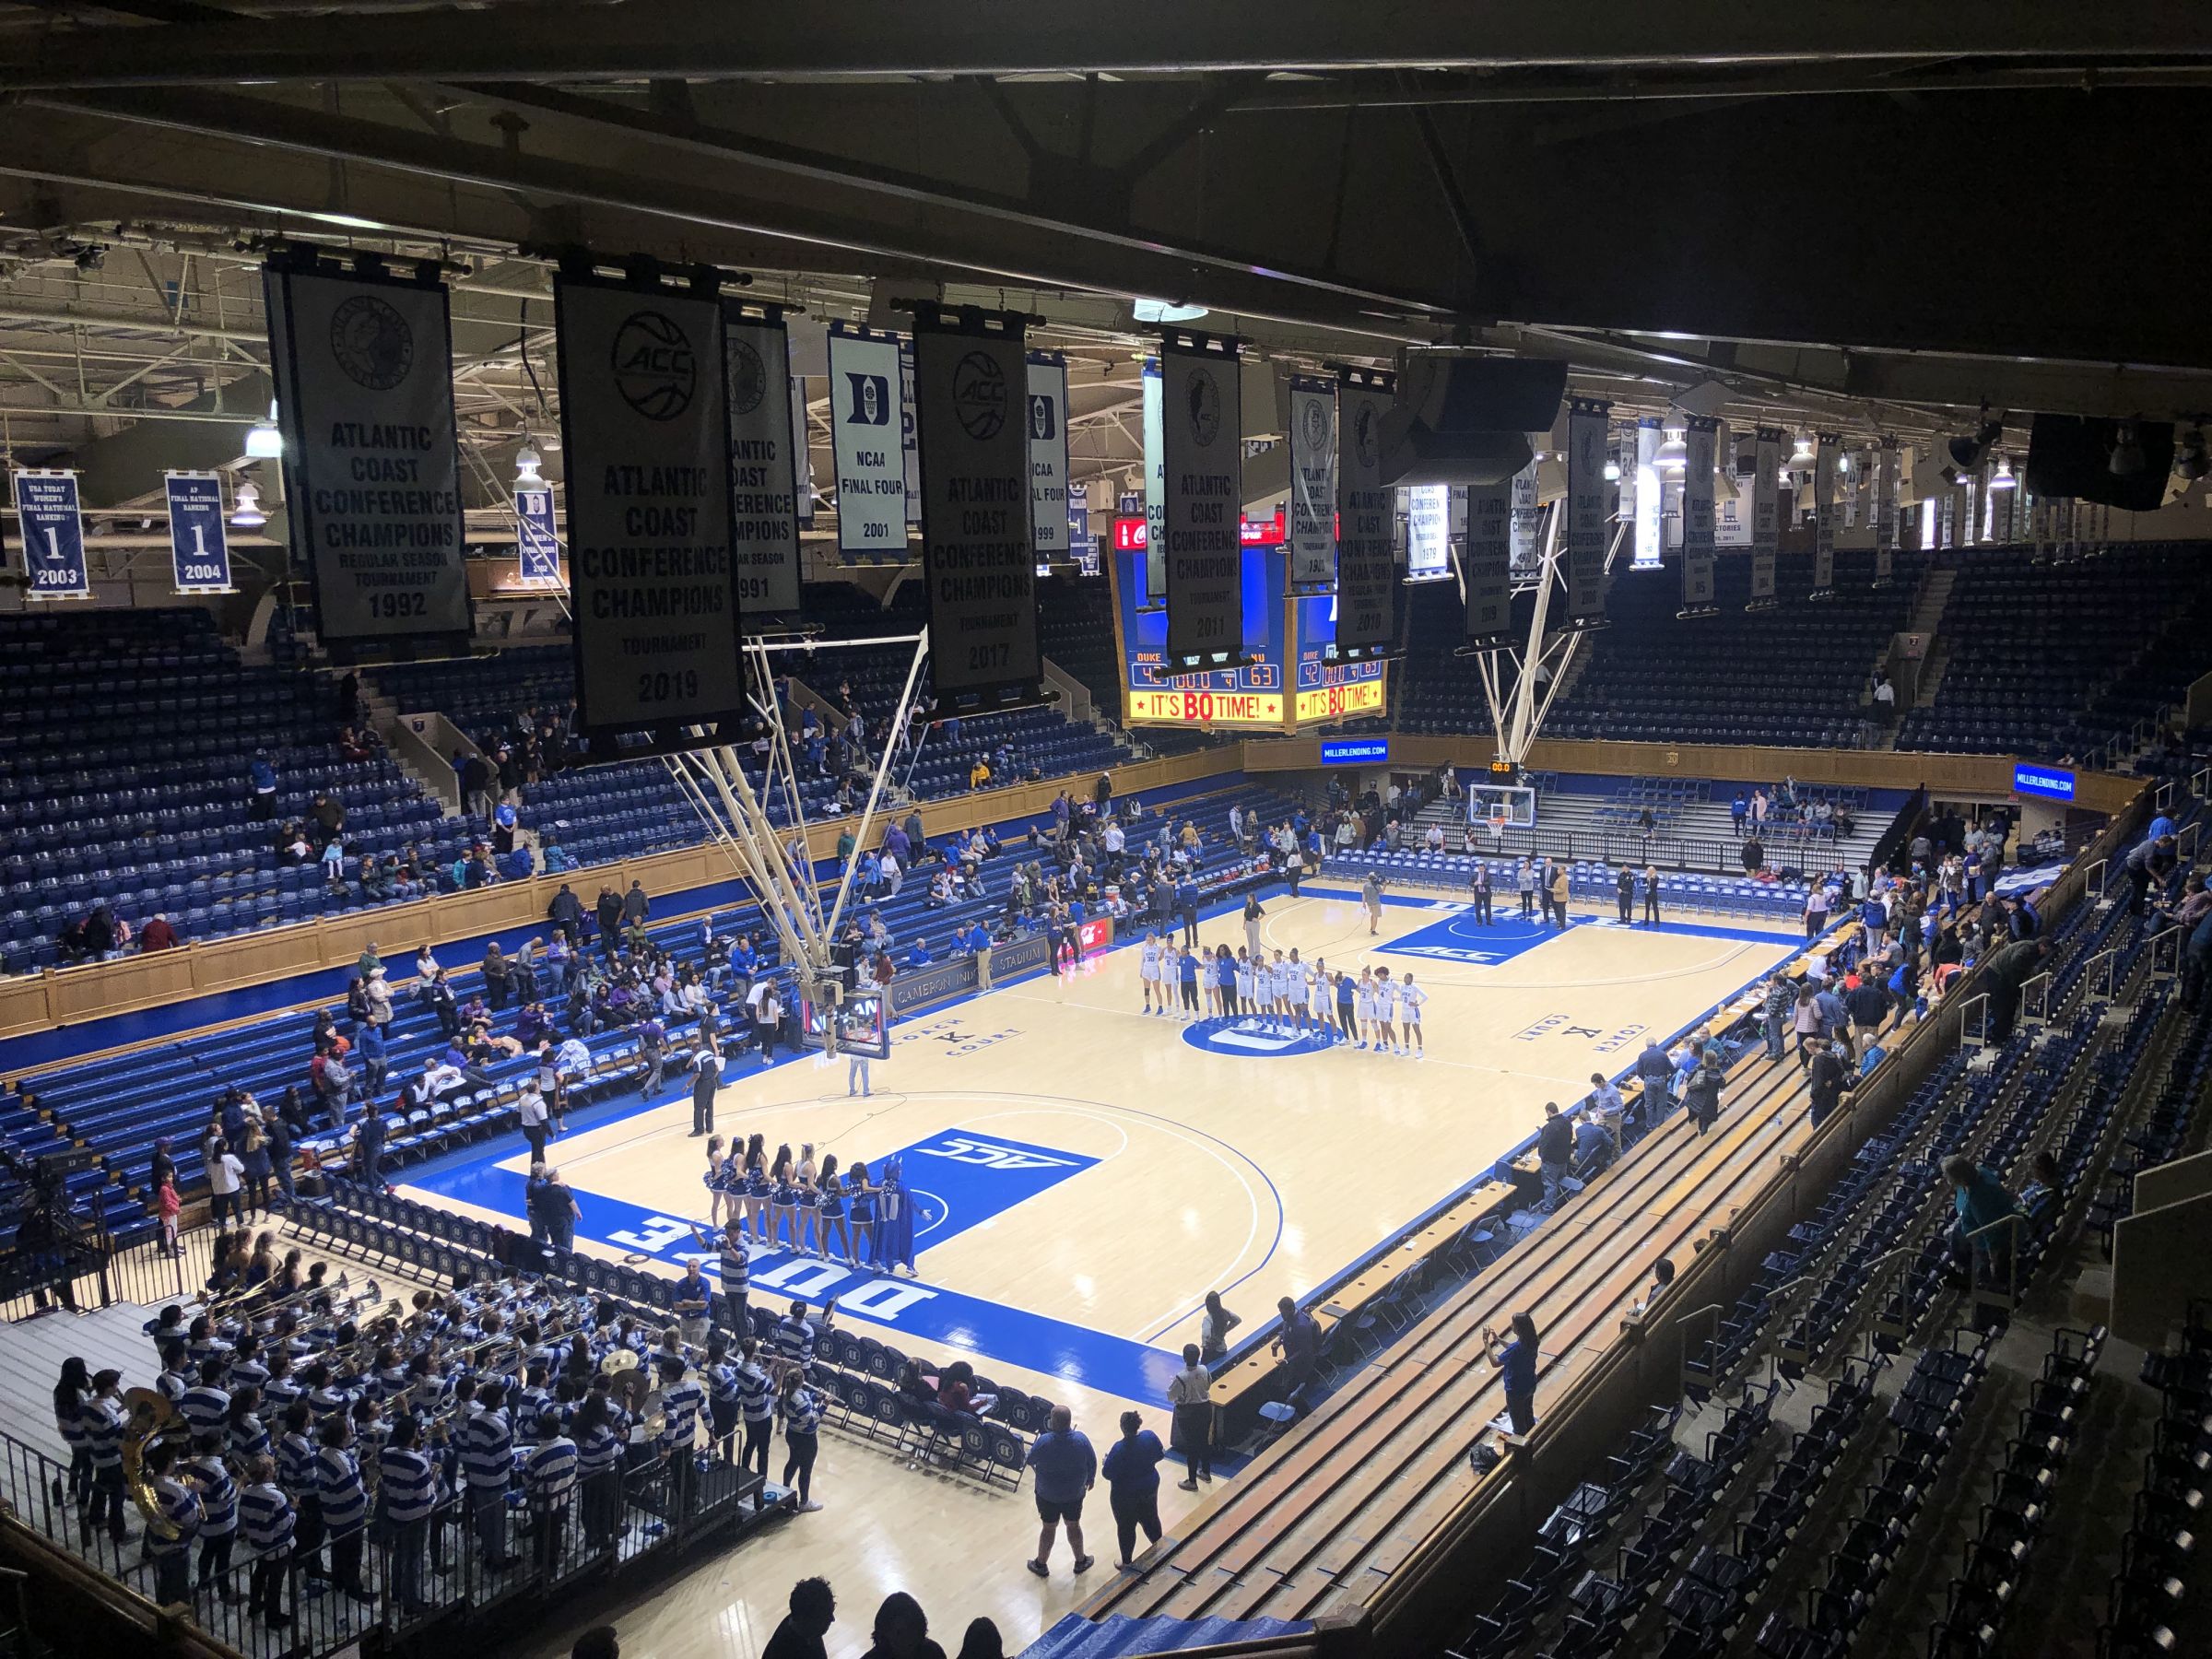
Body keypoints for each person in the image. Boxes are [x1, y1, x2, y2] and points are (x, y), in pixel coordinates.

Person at [1025, 1405, 1097, 1576]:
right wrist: (1090, 1479)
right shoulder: (1081, 1440)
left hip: (1047, 1495)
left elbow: (1030, 1460)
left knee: (1048, 1528)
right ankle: (1080, 1561)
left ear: (1052, 1422)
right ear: (1069, 1421)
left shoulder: (1044, 1441)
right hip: (1074, 1494)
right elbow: (1092, 1461)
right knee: (1073, 1525)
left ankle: (1041, 1564)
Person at [1943, 1155, 2023, 1290]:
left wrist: (1993, 1261)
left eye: (1949, 1178)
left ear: (1960, 1178)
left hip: (1983, 1238)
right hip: (1969, 1225)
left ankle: (1972, 1276)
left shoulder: (1978, 1198)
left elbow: (1990, 1232)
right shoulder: (1980, 1171)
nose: (1948, 1181)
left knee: (1952, 1237)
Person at [1102, 1410, 1166, 1570]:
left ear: (1122, 1427)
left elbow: (1107, 1473)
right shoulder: (1149, 1437)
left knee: (1126, 1527)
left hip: (1125, 1495)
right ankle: (1162, 1550)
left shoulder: (1118, 1448)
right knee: (1151, 1518)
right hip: (1149, 1486)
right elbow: (1160, 1455)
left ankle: (1127, 1562)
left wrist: (1106, 1461)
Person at [1484, 1311, 1541, 1436]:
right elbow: (1512, 1348)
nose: (1511, 1326)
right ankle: (1533, 1434)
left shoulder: (1516, 1349)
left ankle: (1522, 1445)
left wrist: (1486, 1342)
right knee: (1528, 1413)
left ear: (1519, 1329)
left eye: (1514, 1324)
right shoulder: (1533, 1341)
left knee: (1518, 1424)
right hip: (1530, 1384)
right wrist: (1498, 1340)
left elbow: (1495, 1362)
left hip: (1516, 1391)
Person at [1168, 1343, 1212, 1489]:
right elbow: (1208, 1385)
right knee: (1204, 1442)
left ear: (1184, 1358)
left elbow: (1171, 1396)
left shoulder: (1181, 1377)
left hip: (1189, 1413)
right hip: (1205, 1408)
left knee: (1192, 1447)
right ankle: (1206, 1472)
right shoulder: (1204, 1369)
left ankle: (1192, 1481)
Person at [762, 1576, 838, 1659]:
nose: (832, 1619)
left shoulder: (807, 1631)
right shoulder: (783, 1651)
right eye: (825, 1615)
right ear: (807, 1619)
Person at [1272, 1295, 1322, 1418]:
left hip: (1301, 1363)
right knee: (1284, 1387)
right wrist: (1280, 1339)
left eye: (1282, 1312)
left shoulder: (1301, 1326)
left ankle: (1306, 1415)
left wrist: (1287, 1361)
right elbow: (1287, 1331)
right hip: (1291, 1358)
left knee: (1290, 1390)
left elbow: (1305, 1350)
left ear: (1289, 1309)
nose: (1281, 1315)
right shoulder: (1290, 1318)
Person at [863, 1592, 947, 1659]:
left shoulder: (933, 1653)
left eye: (911, 1631)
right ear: (885, 1634)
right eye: (899, 1633)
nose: (906, 1639)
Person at [1536, 1101, 1573, 1210]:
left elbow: (1544, 1145)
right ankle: (1562, 1199)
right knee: (1562, 1179)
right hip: (1564, 1159)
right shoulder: (1566, 1122)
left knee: (1550, 1184)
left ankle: (1549, 1208)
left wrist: (1543, 1157)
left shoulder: (1549, 1127)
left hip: (1551, 1162)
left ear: (1548, 1112)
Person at [1199, 1290, 1240, 1364]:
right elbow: (1237, 1320)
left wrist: (1205, 1344)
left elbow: (1206, 1334)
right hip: (1222, 1348)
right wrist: (1226, 1329)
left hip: (1210, 1353)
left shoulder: (1208, 1319)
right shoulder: (1225, 1312)